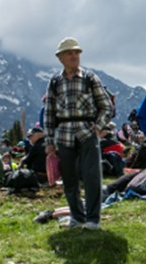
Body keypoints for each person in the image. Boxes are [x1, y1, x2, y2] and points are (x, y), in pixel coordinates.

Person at [45, 37, 113, 229]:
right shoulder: (55, 82)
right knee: (69, 179)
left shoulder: (90, 79)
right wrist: (49, 141)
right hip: (64, 135)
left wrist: (98, 127)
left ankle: (92, 219)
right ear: (61, 58)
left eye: (76, 52)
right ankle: (77, 217)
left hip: (87, 134)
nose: (74, 56)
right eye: (69, 53)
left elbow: (106, 107)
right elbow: (49, 114)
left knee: (92, 178)